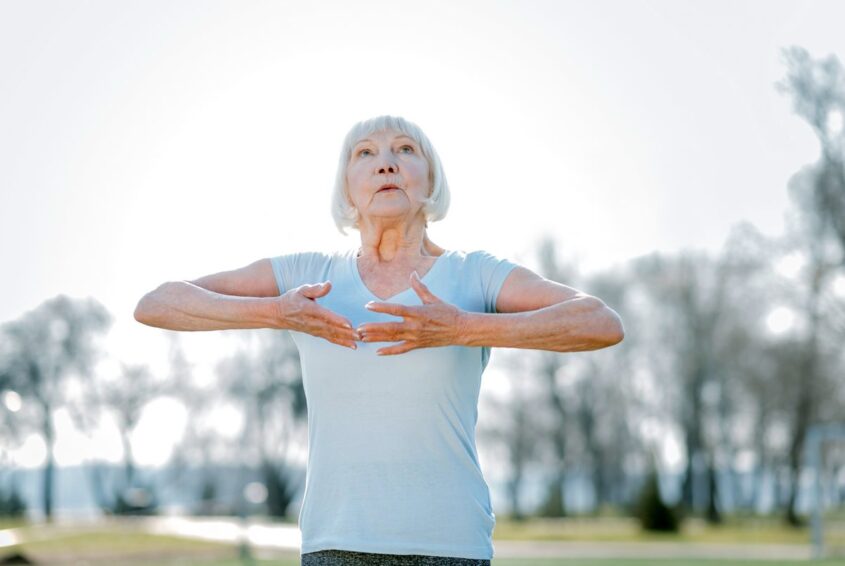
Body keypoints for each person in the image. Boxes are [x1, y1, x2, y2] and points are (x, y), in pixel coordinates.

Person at [134, 115, 625, 566]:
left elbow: (600, 322)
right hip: (333, 544)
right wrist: (277, 312)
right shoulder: (306, 273)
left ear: (431, 181)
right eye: (365, 153)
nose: (386, 162)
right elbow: (157, 304)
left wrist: (460, 328)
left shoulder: (475, 274)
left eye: (405, 149)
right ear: (347, 189)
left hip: (450, 546)